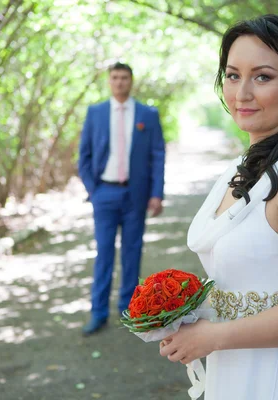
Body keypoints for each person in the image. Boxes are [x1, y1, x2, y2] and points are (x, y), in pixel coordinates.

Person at [159, 15, 278, 399]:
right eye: (232, 75)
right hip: (233, 372)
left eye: (262, 76)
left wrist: (213, 337)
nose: (242, 92)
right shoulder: (243, 167)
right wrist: (181, 313)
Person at [78, 62, 166, 336]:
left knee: (132, 252)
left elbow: (157, 155)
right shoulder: (96, 112)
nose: (119, 82)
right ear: (109, 81)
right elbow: (84, 155)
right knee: (104, 252)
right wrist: (94, 190)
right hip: (104, 192)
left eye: (124, 77)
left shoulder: (147, 114)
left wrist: (156, 194)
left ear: (131, 81)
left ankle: (129, 310)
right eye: (114, 77)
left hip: (135, 194)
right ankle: (98, 313)